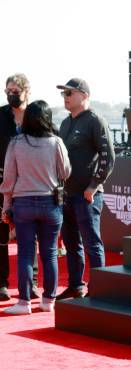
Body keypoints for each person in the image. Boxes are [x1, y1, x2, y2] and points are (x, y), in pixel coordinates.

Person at [0, 100, 71, 314]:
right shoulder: (56, 142)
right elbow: (66, 172)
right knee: (49, 254)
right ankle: (48, 300)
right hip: (50, 203)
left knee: (25, 253)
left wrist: (5, 207)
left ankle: (24, 302)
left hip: (23, 203)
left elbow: (9, 179)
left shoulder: (16, 143)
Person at [55, 78, 115, 300]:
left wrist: (92, 186)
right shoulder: (64, 123)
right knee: (71, 244)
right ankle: (75, 286)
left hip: (87, 196)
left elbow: (108, 158)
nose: (65, 97)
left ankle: (100, 289)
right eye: (64, 93)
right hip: (67, 194)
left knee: (92, 244)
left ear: (84, 95)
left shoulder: (95, 121)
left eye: (70, 93)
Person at [0, 73, 39, 301]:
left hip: (29, 183)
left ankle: (31, 283)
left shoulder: (36, 115)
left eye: (16, 91)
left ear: (27, 91)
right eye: (8, 91)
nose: (11, 95)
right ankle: (1, 284)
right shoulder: (0, 115)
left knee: (29, 234)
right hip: (2, 182)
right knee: (1, 232)